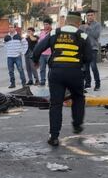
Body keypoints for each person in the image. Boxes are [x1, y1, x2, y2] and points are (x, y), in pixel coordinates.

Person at [32, 11, 93, 146]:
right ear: (78, 23)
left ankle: (54, 136)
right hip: (75, 73)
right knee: (78, 97)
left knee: (56, 103)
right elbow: (89, 57)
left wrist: (35, 61)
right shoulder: (82, 35)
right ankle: (77, 125)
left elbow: (38, 49)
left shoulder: (54, 33)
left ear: (66, 21)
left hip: (56, 73)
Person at [81, 9, 101, 91]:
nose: (90, 17)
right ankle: (87, 83)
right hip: (84, 49)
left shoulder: (97, 25)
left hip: (93, 48)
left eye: (91, 15)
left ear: (94, 16)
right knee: (85, 67)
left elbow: (96, 35)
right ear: (86, 16)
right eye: (88, 15)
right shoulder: (83, 25)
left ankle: (97, 84)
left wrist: (88, 28)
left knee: (93, 66)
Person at [36, 18, 53, 86]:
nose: (45, 26)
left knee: (51, 69)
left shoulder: (53, 33)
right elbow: (39, 43)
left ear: (50, 25)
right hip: (42, 54)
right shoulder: (41, 33)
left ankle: (50, 82)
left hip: (50, 54)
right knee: (42, 68)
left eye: (47, 24)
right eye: (44, 24)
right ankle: (42, 81)